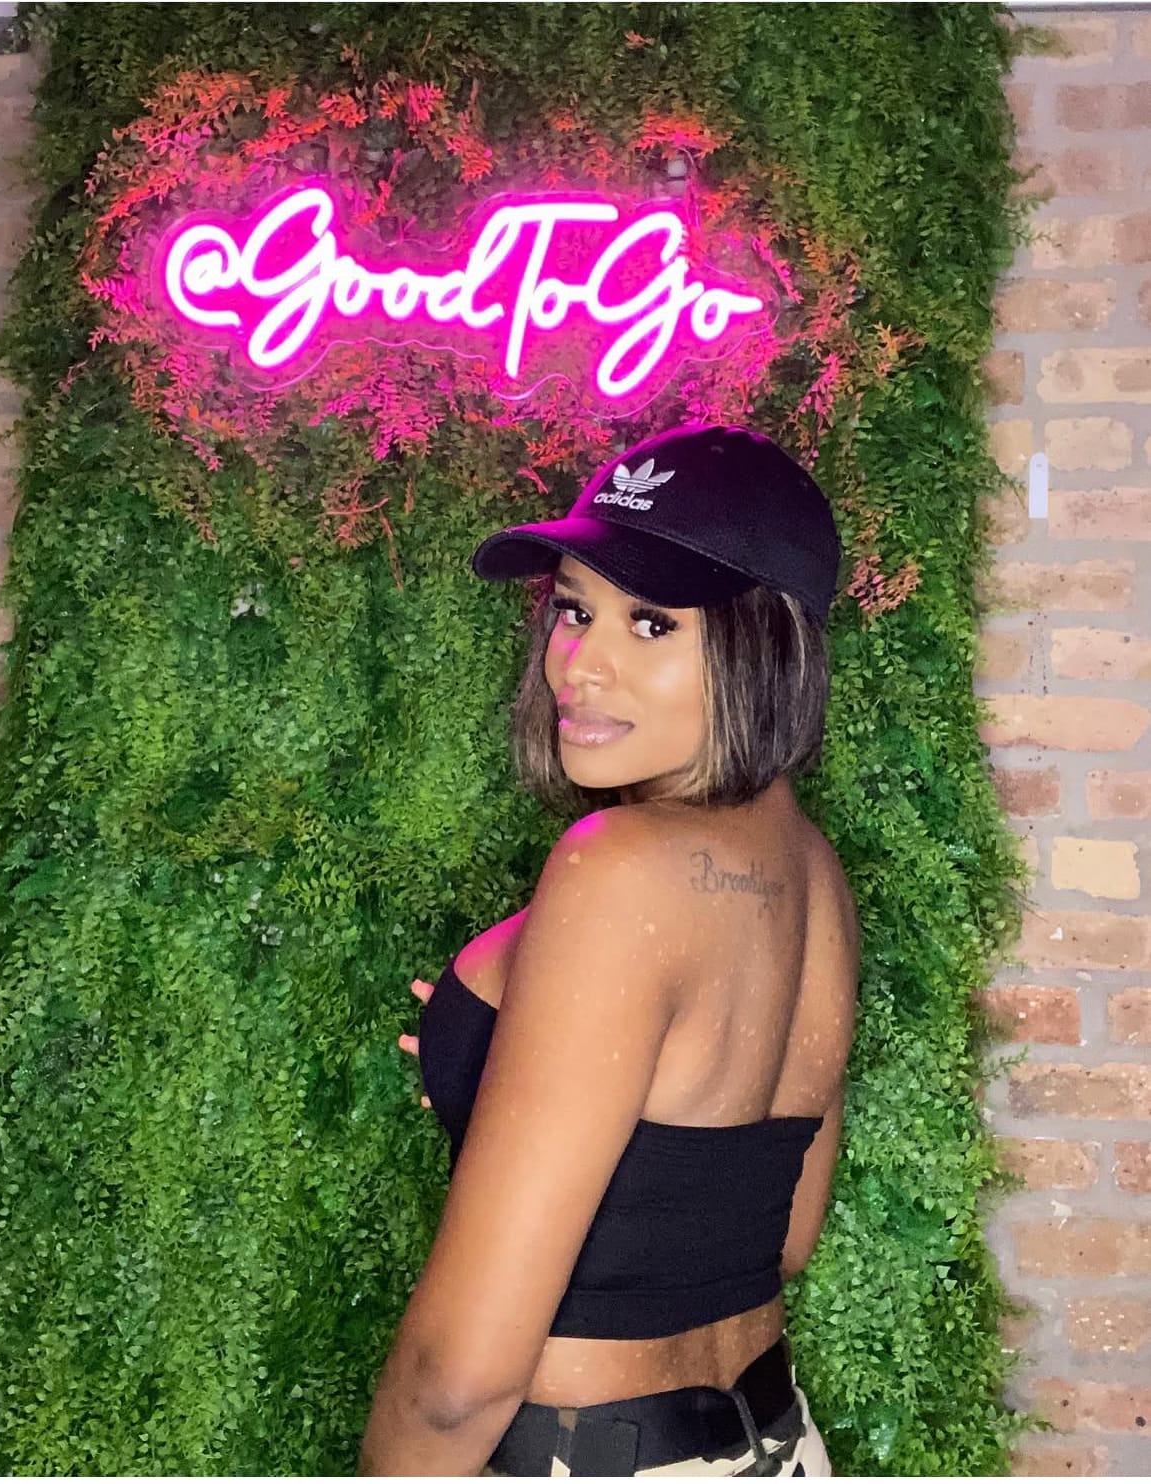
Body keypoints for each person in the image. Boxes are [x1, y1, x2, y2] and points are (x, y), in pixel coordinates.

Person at [358, 424, 860, 1477]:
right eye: (576, 609)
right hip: (770, 1441)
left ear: (766, 644)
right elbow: (773, 1237)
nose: (580, 664)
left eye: (652, 622)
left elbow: (456, 1383)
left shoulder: (616, 868)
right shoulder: (814, 874)